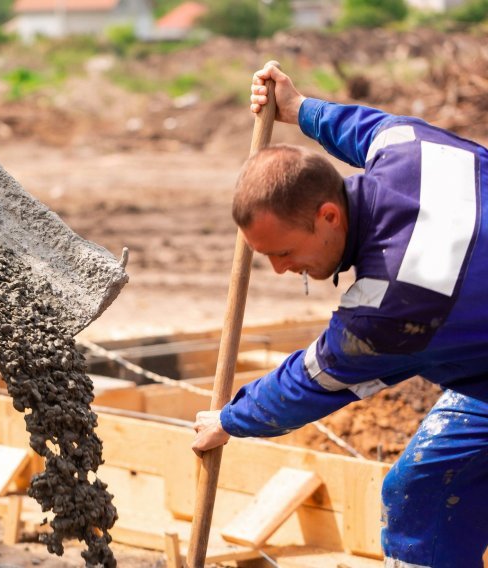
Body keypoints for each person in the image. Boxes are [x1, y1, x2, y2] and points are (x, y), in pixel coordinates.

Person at [192, 62, 488, 568]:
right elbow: (361, 128)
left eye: (284, 253)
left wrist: (229, 420)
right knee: (424, 492)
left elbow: (312, 382)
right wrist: (301, 110)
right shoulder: (404, 146)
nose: (282, 271)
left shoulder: (395, 301)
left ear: (329, 216)